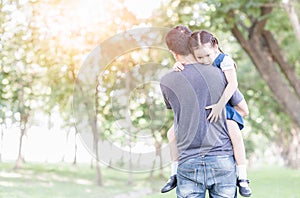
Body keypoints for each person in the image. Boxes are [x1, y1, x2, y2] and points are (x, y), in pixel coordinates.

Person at [161, 29, 252, 197]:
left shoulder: (167, 81)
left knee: (171, 132)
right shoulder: (218, 74)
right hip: (221, 157)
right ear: (192, 47)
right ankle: (243, 177)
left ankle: (173, 173)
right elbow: (244, 109)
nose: (205, 60)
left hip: (188, 160)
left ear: (173, 53)